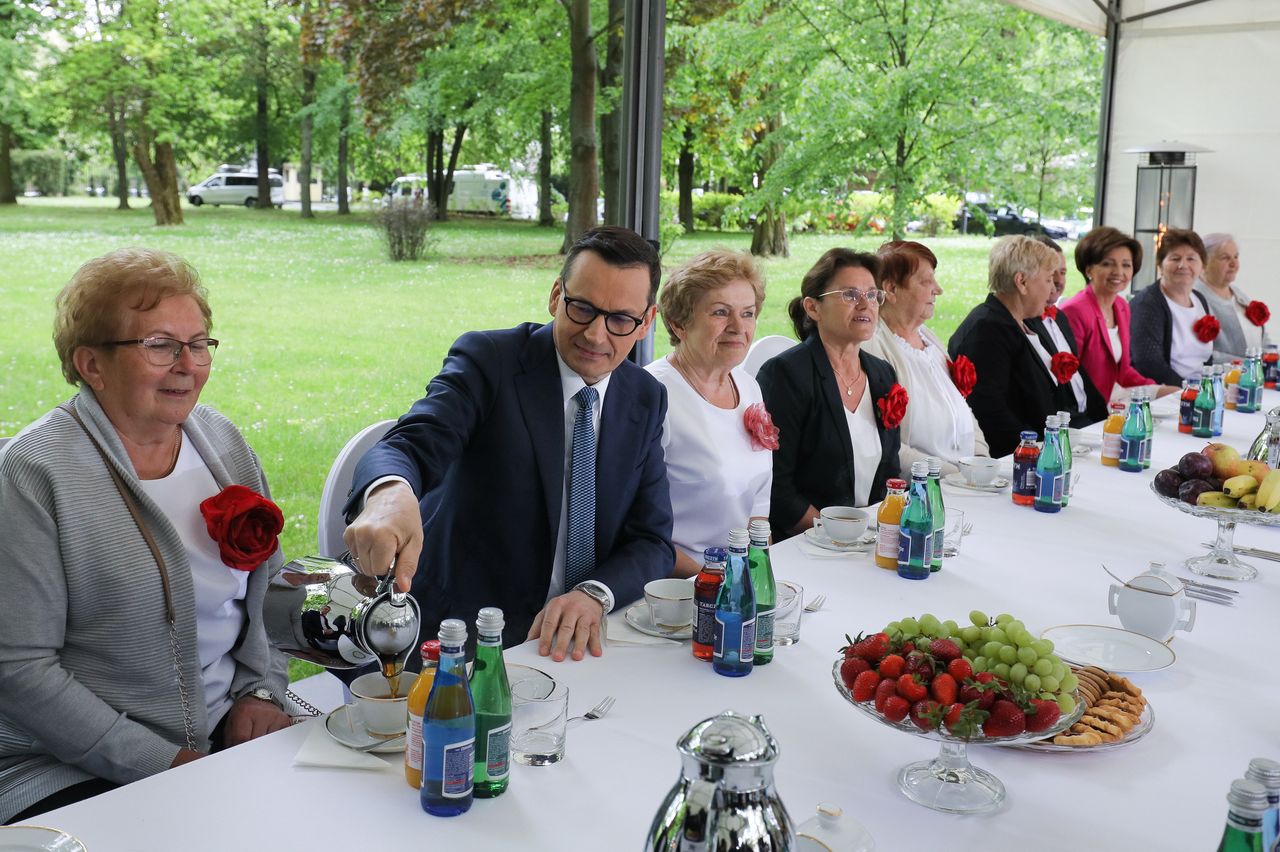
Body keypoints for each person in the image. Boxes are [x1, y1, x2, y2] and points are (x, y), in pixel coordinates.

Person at [0, 249, 290, 824]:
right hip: (63, 765)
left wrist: (261, 690)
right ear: (92, 364)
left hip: (223, 735)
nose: (189, 364)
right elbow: (18, 668)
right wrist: (170, 763)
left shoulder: (222, 442)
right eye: (160, 344)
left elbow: (271, 592)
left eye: (200, 343)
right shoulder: (32, 473)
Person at [342, 226, 674, 663]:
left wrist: (593, 594)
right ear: (556, 296)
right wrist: (388, 492)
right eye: (582, 309)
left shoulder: (645, 397)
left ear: (646, 321)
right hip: (463, 636)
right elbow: (410, 443)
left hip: (577, 641)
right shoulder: (490, 362)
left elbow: (652, 539)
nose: (596, 335)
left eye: (619, 320)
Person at [757, 249, 902, 538]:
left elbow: (890, 474)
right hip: (807, 541)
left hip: (868, 537)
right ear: (813, 308)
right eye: (850, 295)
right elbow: (776, 486)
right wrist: (838, 535)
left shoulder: (882, 374)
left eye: (873, 295)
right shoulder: (786, 374)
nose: (865, 304)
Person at [646, 250, 773, 576]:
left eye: (747, 313)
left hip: (736, 577)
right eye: (720, 312)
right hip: (672, 583)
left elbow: (758, 502)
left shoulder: (747, 387)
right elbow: (638, 524)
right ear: (679, 323)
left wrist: (755, 570)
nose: (737, 326)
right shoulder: (653, 394)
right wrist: (711, 580)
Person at [862, 240, 988, 477]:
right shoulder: (874, 347)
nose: (937, 289)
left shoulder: (927, 339)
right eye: (925, 281)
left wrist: (980, 459)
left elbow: (961, 406)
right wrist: (952, 476)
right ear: (891, 289)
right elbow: (884, 442)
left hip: (962, 477)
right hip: (921, 485)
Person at [948, 236, 1063, 457]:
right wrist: (1036, 453)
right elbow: (989, 411)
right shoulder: (988, 330)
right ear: (1022, 282)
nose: (1051, 289)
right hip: (1012, 461)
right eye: (1048, 279)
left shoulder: (1020, 321)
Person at [1060, 226, 1176, 402]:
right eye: (1107, 263)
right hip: (1090, 402)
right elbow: (1069, 377)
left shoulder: (1121, 306)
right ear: (1089, 269)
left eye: (1126, 265)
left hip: (1117, 392)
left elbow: (1124, 371)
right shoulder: (1075, 311)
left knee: (1175, 394)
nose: (1118, 272)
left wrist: (1157, 388)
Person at [1025, 236, 1108, 427]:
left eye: (1063, 272)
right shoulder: (1025, 323)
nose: (1058, 280)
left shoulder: (1060, 317)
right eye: (1051, 273)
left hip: (1086, 417)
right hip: (1060, 425)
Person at [1195, 232, 1269, 361]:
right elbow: (1200, 351)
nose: (1234, 264)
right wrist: (1247, 365)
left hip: (1253, 375)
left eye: (1236, 257)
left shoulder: (1239, 294)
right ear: (1205, 261)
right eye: (1225, 258)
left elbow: (1263, 337)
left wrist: (1270, 357)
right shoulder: (1195, 296)